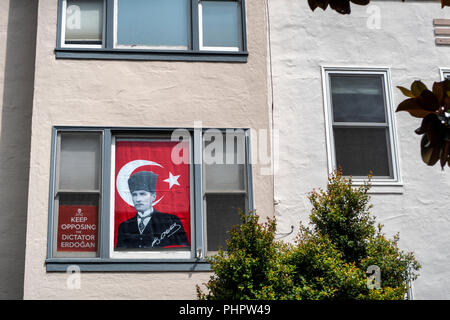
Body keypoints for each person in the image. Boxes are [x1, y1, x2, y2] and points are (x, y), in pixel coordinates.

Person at [116, 171, 189, 249]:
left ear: (153, 196)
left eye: (142, 194)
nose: (138, 199)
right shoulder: (124, 226)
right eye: (134, 194)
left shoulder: (171, 221)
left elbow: (181, 250)